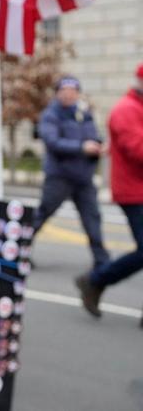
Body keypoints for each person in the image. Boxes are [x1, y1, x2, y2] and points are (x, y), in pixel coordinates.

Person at [75, 64, 143, 321]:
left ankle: (95, 281)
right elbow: (137, 150)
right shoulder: (126, 110)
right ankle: (94, 280)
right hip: (135, 192)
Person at [33, 75, 110, 268]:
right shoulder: (51, 115)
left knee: (93, 218)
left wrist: (99, 146)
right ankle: (18, 252)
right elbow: (53, 142)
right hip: (59, 177)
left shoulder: (83, 113)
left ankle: (102, 261)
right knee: (42, 215)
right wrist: (81, 147)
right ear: (58, 93)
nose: (69, 95)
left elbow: (93, 135)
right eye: (65, 91)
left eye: (73, 92)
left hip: (83, 178)